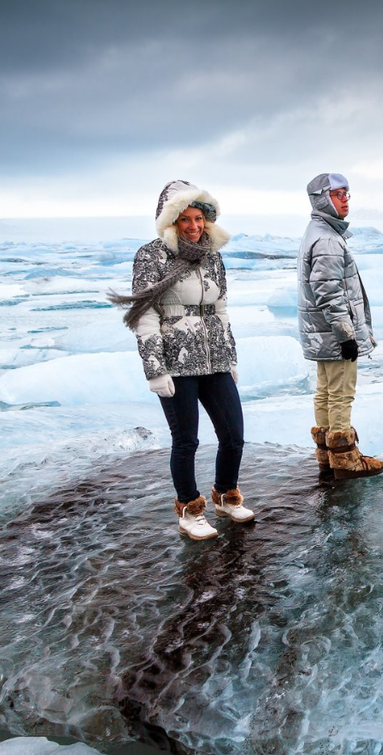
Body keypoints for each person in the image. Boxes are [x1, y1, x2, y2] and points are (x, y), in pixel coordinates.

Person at [110, 179, 255, 539]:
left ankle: (225, 495)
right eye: (185, 219)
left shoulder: (213, 256)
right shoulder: (151, 255)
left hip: (215, 359)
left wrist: (230, 356)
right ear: (170, 221)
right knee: (186, 440)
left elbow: (220, 310)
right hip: (176, 363)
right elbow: (145, 315)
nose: (194, 226)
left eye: (199, 218)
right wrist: (155, 369)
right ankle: (189, 509)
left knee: (233, 435)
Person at [298, 173, 383, 480]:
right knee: (341, 392)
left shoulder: (318, 232)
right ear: (323, 199)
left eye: (347, 193)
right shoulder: (328, 240)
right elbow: (328, 291)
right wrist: (346, 335)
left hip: (322, 333)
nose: (345, 199)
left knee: (325, 391)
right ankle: (345, 459)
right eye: (338, 194)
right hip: (335, 333)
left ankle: (326, 455)